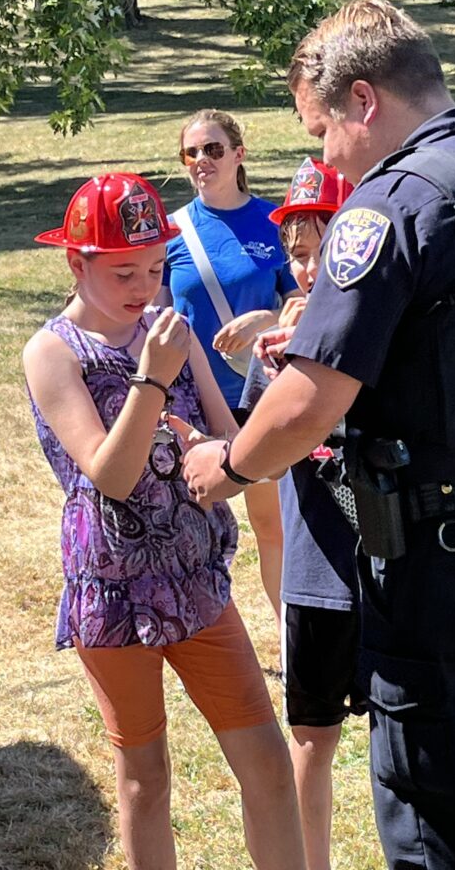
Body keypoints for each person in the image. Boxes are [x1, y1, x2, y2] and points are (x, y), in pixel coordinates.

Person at [181, 0, 455, 870]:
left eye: (325, 130)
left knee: (443, 801)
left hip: (450, 550)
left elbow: (307, 402)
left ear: (364, 100)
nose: (327, 156)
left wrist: (229, 463)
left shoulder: (392, 205)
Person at [23, 172, 305, 870]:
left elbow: (226, 442)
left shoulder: (165, 331)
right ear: (76, 262)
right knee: (145, 779)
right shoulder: (54, 352)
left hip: (194, 579)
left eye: (154, 268)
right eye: (123, 271)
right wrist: (151, 381)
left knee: (267, 762)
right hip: (113, 591)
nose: (143, 286)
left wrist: (242, 416)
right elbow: (110, 474)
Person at [241, 157, 363, 870]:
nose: (311, 268)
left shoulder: (393, 334)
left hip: (394, 565)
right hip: (317, 579)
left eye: (325, 249)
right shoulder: (274, 350)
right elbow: (262, 458)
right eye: (298, 253)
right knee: (312, 737)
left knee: (411, 735)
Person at [162, 109, 301, 625]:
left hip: (259, 396)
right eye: (192, 152)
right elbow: (153, 315)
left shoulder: (274, 221)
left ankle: (293, 641)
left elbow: (303, 305)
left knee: (273, 527)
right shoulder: (172, 231)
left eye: (213, 149)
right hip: (192, 402)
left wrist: (264, 317)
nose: (202, 160)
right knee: (191, 527)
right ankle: (197, 633)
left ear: (238, 155)